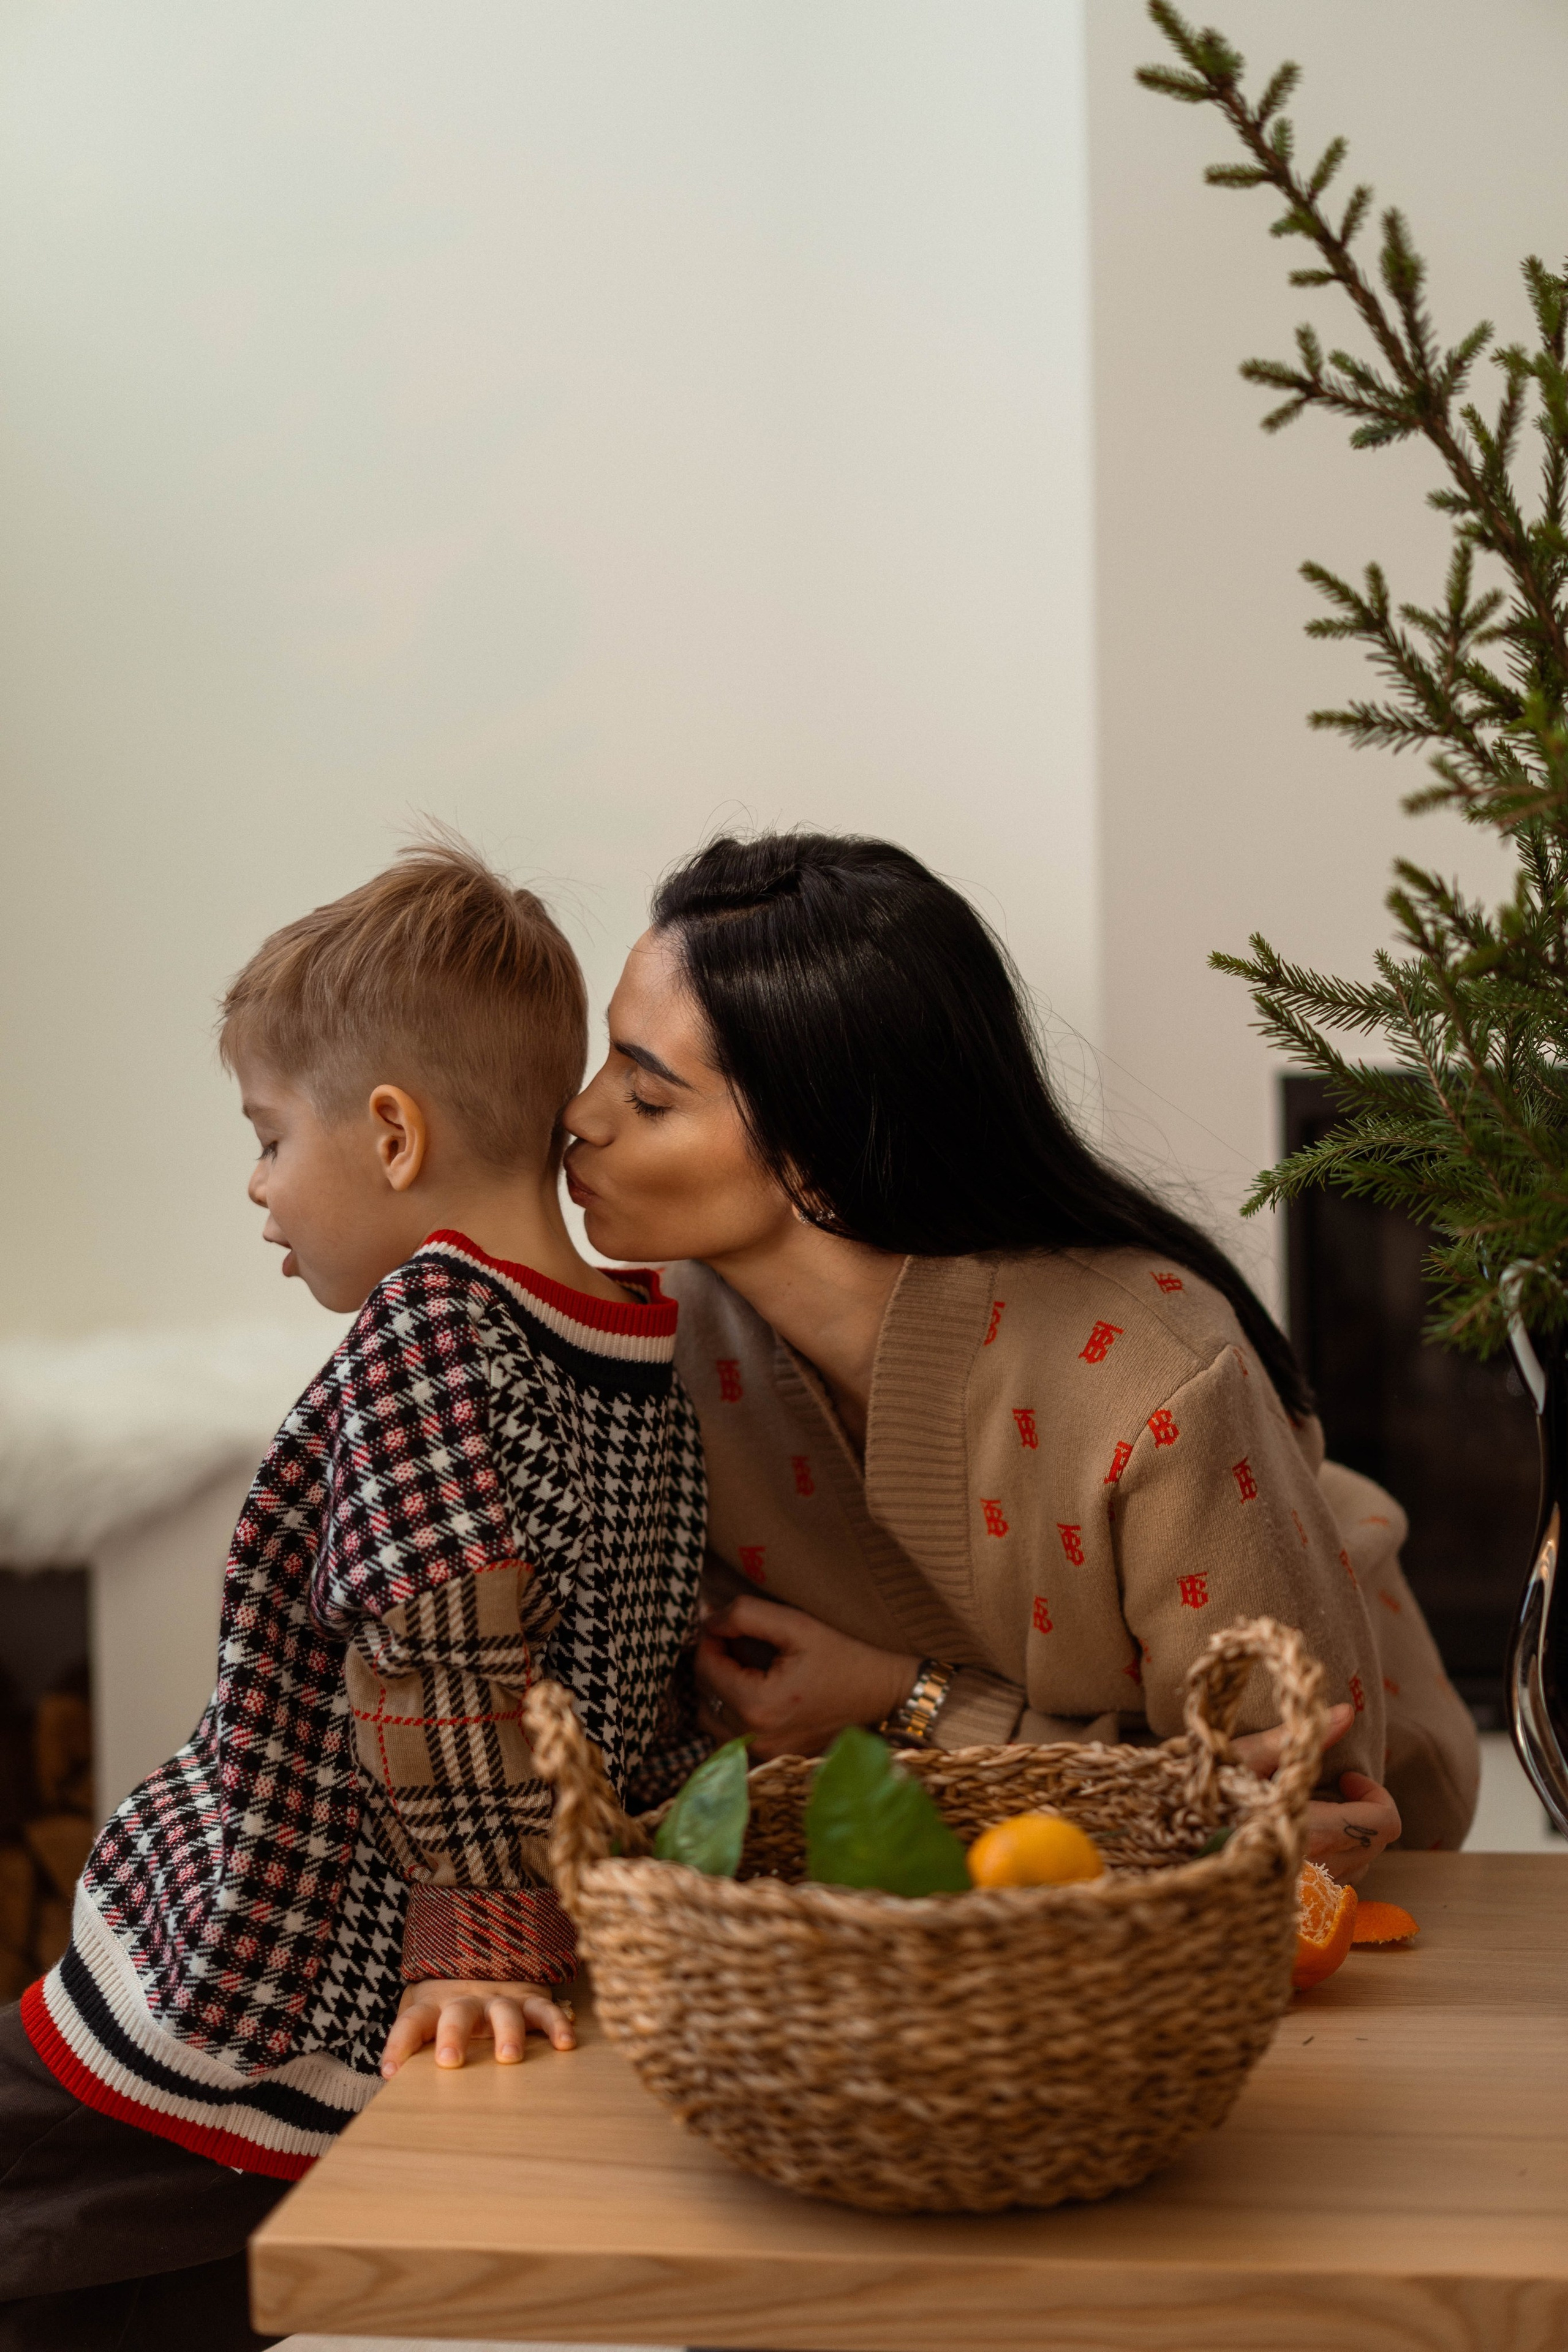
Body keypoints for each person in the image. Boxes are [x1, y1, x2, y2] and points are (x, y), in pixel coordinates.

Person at [0, 839, 704, 2352]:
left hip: (261, 1974)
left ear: (391, 1133)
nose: (257, 1186)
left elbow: (441, 1640)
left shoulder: (430, 1325)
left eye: (268, 1136)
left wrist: (482, 1930)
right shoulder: (638, 1344)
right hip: (402, 1969)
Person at [564, 829, 1479, 1877]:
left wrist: (904, 1703)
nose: (580, 1115)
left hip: (1387, 1894)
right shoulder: (661, 1338)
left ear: (820, 1152)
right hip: (950, 1910)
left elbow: (1298, 1827)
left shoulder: (1152, 1378)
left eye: (649, 1097)